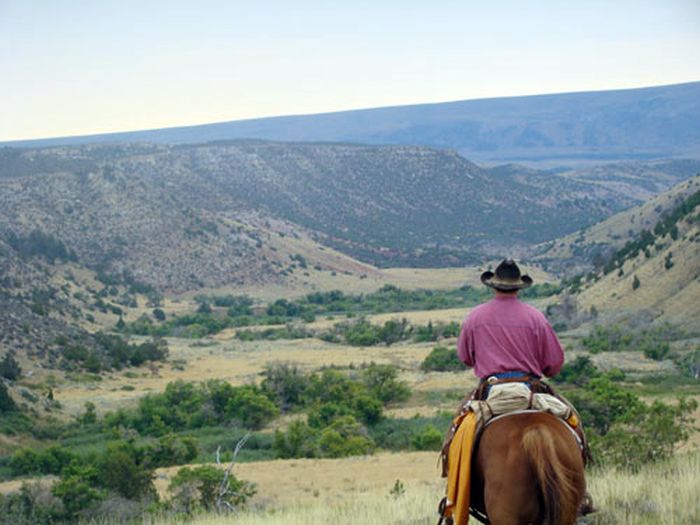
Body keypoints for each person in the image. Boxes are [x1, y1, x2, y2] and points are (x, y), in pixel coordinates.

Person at [457, 258, 564, 384]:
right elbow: (553, 363)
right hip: (528, 385)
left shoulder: (475, 317)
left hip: (491, 384)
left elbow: (466, 358)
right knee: (562, 404)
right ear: (518, 288)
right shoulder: (536, 317)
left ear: (493, 287)